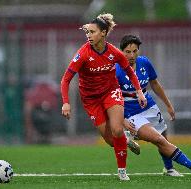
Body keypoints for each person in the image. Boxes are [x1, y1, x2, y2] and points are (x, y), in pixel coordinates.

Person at [60, 14, 147, 181]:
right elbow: (66, 79)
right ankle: (126, 140)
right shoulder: (83, 54)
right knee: (110, 140)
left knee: (116, 129)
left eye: (92, 32)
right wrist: (66, 103)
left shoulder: (114, 52)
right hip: (91, 99)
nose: (89, 35)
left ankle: (122, 172)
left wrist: (139, 91)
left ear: (103, 33)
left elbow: (129, 70)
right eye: (87, 32)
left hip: (111, 92)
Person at [115, 34, 191, 177]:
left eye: (135, 51)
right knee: (158, 139)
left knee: (163, 135)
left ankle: (169, 169)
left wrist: (168, 105)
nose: (131, 55)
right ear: (121, 51)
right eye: (127, 51)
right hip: (130, 111)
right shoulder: (116, 69)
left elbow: (155, 84)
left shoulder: (144, 63)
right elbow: (111, 98)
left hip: (148, 104)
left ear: (138, 50)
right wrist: (122, 120)